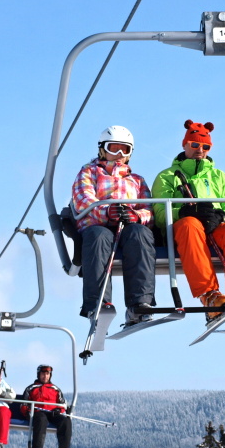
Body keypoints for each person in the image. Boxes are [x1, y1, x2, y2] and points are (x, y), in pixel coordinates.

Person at [151, 120, 225, 331]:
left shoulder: (219, 177)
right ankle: (210, 296)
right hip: (186, 232)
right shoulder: (167, 177)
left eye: (205, 146)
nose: (200, 150)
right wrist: (183, 212)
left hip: (215, 229)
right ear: (185, 144)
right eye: (195, 145)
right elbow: (160, 214)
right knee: (189, 224)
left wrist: (221, 216)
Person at [72, 125, 157, 326]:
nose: (119, 154)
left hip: (127, 226)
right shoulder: (89, 172)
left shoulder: (137, 180)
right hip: (97, 224)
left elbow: (148, 210)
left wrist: (135, 216)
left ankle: (139, 304)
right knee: (99, 237)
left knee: (140, 233)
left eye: (124, 150)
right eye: (114, 148)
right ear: (102, 149)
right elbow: (83, 200)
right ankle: (97, 304)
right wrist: (106, 211)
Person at [21, 365, 73, 448]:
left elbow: (62, 404)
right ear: (38, 375)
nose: (45, 376)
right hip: (38, 412)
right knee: (41, 420)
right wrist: (28, 412)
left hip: (52, 413)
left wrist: (59, 410)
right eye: (43, 374)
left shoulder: (55, 389)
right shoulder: (31, 388)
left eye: (47, 374)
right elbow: (23, 404)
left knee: (65, 421)